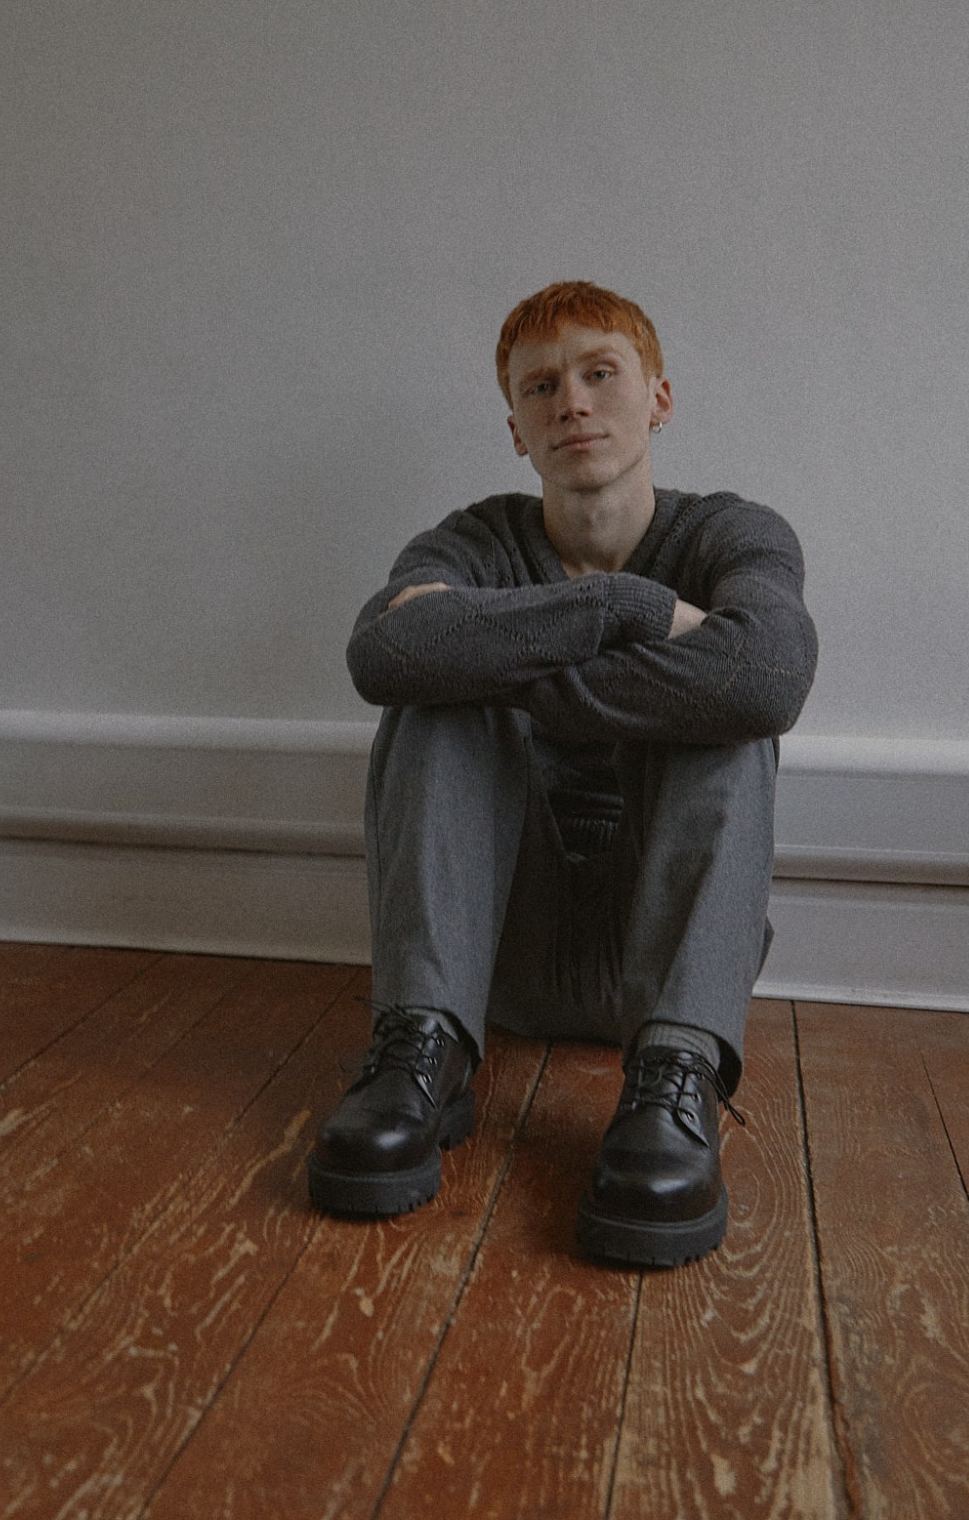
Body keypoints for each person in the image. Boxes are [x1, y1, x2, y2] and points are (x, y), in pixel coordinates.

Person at [306, 280, 816, 1267]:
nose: (570, 403)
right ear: (514, 429)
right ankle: (421, 1052)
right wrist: (626, 610)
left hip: (658, 961)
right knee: (433, 692)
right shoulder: (473, 537)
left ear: (656, 398)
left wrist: (501, 657)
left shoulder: (730, 534)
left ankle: (675, 1080)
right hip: (494, 954)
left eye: (597, 373)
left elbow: (765, 677)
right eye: (540, 388)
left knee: (726, 720)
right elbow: (385, 657)